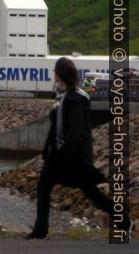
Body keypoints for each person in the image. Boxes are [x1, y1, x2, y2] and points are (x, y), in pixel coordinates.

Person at [26, 57, 131, 239]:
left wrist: (63, 154)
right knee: (44, 186)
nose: (53, 75)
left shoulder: (76, 98)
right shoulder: (63, 96)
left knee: (90, 192)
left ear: (58, 75)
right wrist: (47, 151)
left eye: (54, 72)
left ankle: (124, 221)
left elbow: (75, 130)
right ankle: (40, 230)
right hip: (58, 153)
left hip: (71, 155)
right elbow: (55, 127)